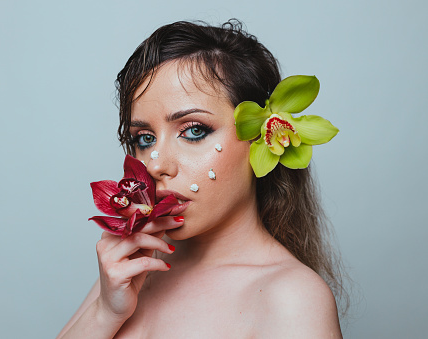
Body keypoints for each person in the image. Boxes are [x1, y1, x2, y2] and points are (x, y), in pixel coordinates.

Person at [57, 19, 346, 338]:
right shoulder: (134, 267)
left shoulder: (292, 300)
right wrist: (104, 313)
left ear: (259, 138)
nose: (156, 166)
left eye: (194, 131)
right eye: (144, 138)